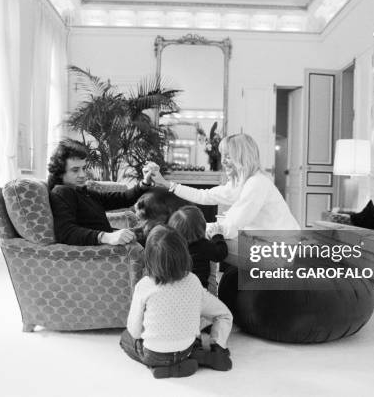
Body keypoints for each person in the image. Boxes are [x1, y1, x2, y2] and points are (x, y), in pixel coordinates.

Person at [120, 225, 233, 379]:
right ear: (184, 254)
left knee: (125, 339)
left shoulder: (144, 285)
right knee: (192, 336)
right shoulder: (193, 281)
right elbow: (221, 312)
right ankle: (200, 355)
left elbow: (134, 331)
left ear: (149, 258)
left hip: (154, 353)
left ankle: (161, 366)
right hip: (185, 350)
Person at [152, 133, 300, 239]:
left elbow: (232, 227)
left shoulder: (256, 184)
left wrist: (190, 227)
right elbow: (204, 195)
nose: (223, 161)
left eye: (228, 156)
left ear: (242, 157)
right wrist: (167, 184)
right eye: (223, 156)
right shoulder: (241, 183)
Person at [48, 138, 154, 246]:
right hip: (102, 252)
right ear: (60, 172)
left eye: (84, 168)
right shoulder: (61, 192)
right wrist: (106, 237)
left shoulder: (84, 192)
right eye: (75, 170)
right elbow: (67, 233)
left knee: (156, 232)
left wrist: (145, 182)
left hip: (110, 245)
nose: (82, 175)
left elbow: (123, 198)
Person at [168, 205, 228, 289]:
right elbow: (221, 253)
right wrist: (217, 236)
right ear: (202, 227)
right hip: (199, 290)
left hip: (176, 289)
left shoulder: (170, 246)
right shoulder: (203, 245)